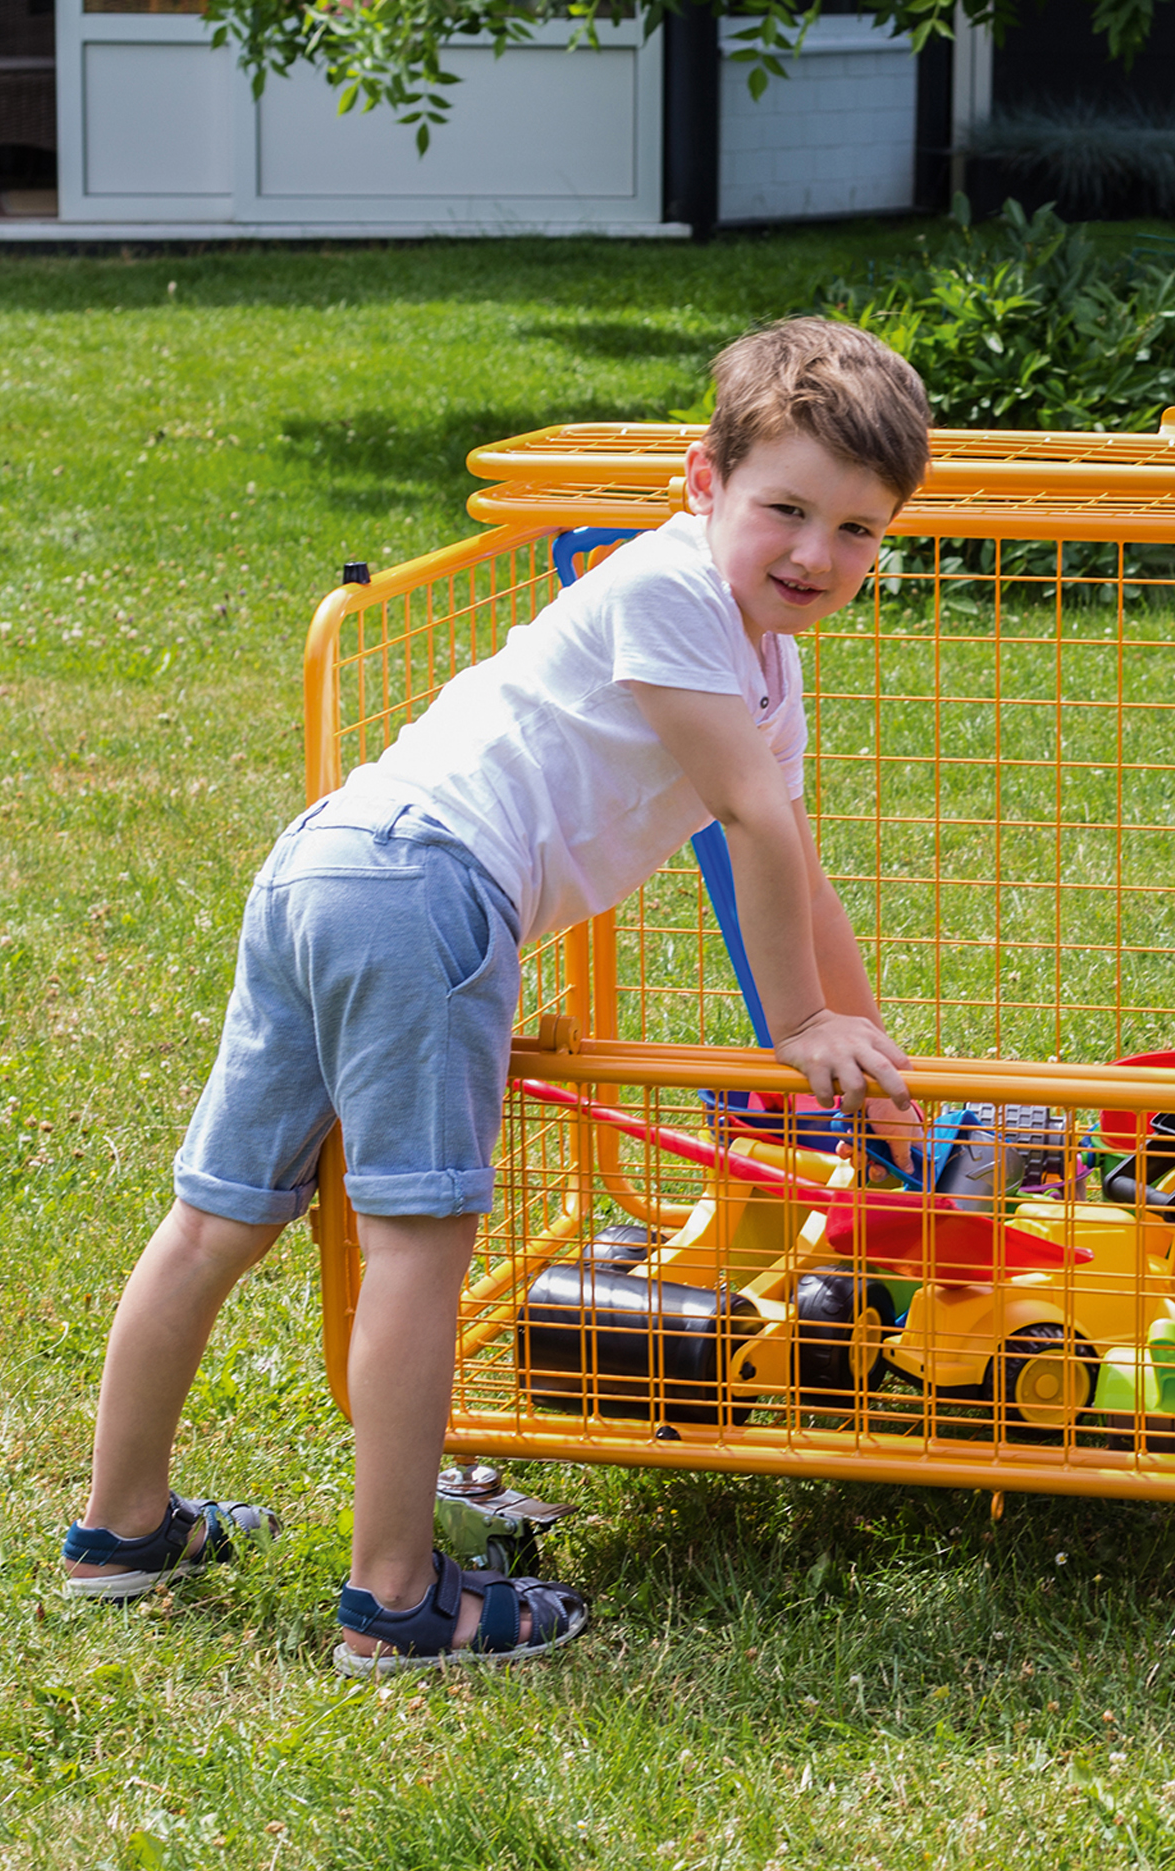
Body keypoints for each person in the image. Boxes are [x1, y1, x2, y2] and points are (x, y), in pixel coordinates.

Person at [61, 318, 928, 1673]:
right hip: (424, 893)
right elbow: (751, 819)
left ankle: (120, 1534)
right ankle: (397, 1601)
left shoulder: (765, 656)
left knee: (215, 1218)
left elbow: (794, 857)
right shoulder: (670, 595)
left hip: (332, 867)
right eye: (788, 511)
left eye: (861, 530)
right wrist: (802, 1027)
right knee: (415, 1244)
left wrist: (867, 1069)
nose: (819, 555)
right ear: (704, 482)